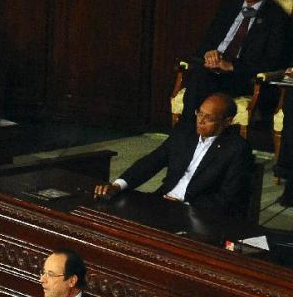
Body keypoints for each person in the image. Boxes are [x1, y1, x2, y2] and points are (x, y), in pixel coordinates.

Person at [94, 93, 254, 218]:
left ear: (227, 121)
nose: (201, 120)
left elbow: (228, 198)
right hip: (162, 201)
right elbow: (151, 162)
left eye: (209, 118)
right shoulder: (184, 133)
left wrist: (185, 204)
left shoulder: (237, 149)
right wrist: (118, 185)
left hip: (197, 213)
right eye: (199, 113)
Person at [181, 0, 288, 126]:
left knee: (200, 79)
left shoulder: (277, 17)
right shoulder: (227, 8)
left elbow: (273, 61)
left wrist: (231, 66)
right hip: (212, 69)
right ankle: (189, 135)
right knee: (200, 75)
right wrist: (209, 53)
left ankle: (184, 133)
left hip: (242, 77)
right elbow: (204, 44)